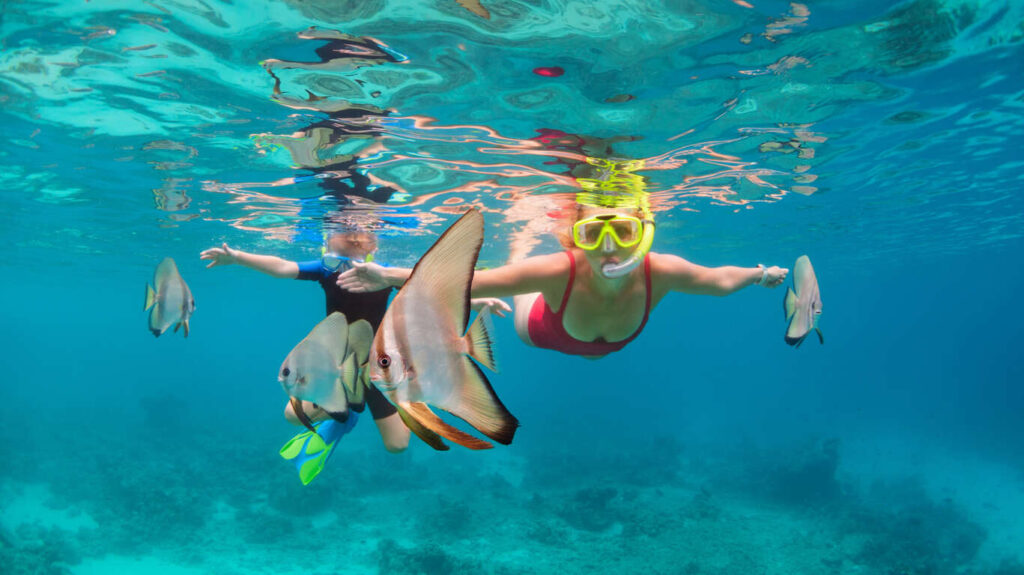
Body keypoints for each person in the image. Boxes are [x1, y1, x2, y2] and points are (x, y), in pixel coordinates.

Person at [337, 202, 789, 359]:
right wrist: (388, 274)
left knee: (594, 357)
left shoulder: (662, 270)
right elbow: (468, 281)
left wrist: (759, 274)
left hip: (604, 346)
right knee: (509, 284)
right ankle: (519, 253)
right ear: (577, 239)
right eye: (593, 233)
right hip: (542, 330)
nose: (609, 247)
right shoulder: (561, 269)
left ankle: (517, 269)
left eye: (623, 232)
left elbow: (717, 280)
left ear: (643, 234)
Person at [200, 231, 413, 451]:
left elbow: (424, 278)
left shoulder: (382, 274)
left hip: (374, 365)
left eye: (356, 262)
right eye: (336, 262)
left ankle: (394, 402)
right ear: (326, 250)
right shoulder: (325, 271)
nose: (344, 270)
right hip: (334, 365)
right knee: (292, 415)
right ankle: (342, 411)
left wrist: (388, 275)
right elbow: (283, 267)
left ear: (373, 252)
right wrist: (237, 257)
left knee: (397, 445)